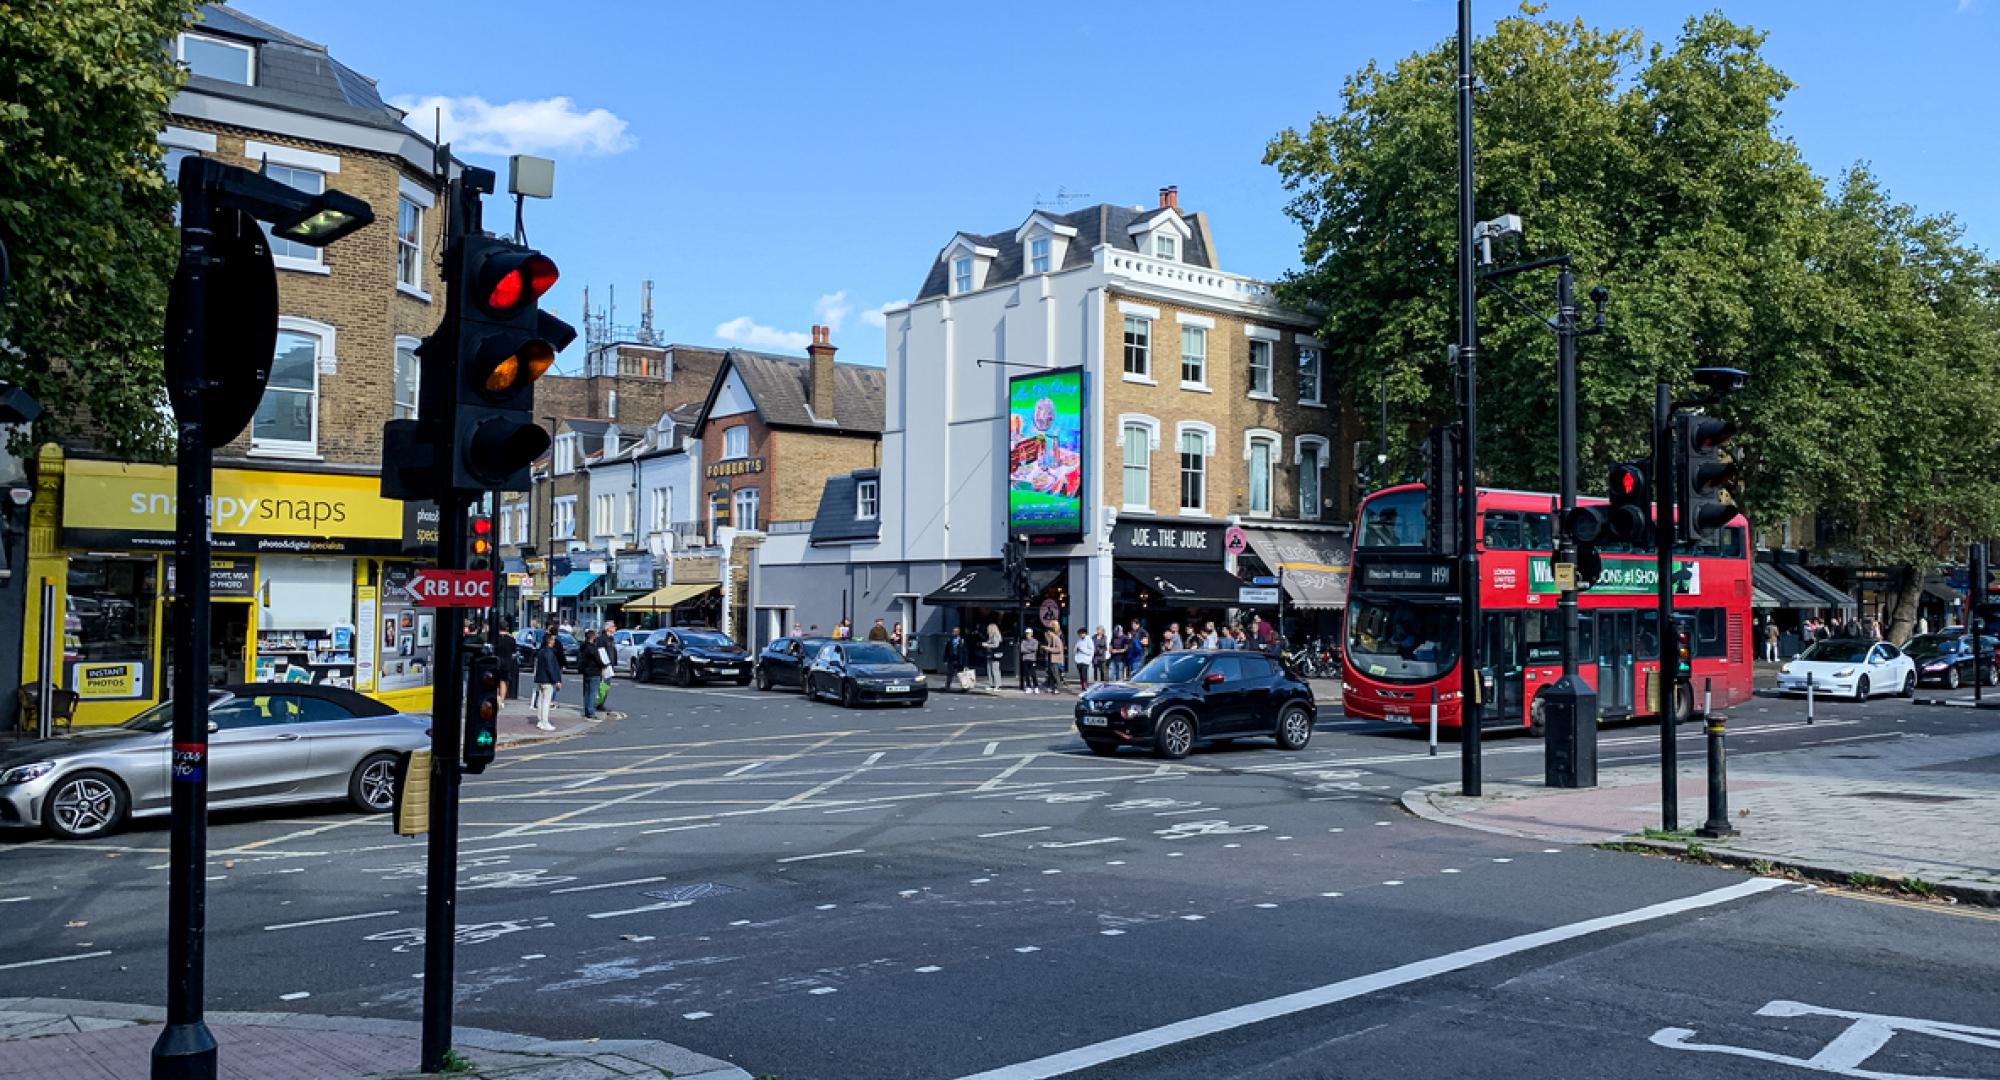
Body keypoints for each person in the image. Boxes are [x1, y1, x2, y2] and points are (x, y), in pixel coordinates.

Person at [532, 623, 563, 731]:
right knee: (546, 702)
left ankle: (540, 721)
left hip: (540, 679)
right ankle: (545, 722)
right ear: (550, 641)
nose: (554, 642)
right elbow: (551, 668)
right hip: (547, 680)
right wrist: (556, 680)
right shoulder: (550, 653)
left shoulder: (541, 652)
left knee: (540, 701)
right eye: (553, 640)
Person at [578, 629, 605, 722]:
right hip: (594, 672)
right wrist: (604, 665)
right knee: (593, 693)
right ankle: (591, 712)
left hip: (586, 672)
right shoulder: (593, 648)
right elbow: (598, 659)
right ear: (593, 637)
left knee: (586, 693)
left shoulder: (583, 647)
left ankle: (586, 711)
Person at [493, 620, 518, 709]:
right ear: (507, 628)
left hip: (496, 662)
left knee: (495, 681)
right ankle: (501, 701)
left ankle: (496, 697)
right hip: (507, 663)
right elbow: (514, 654)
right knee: (504, 682)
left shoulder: (495, 638)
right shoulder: (511, 639)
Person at [944, 627, 968, 692]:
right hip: (951, 659)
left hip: (959, 660)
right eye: (953, 631)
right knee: (950, 674)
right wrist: (945, 659)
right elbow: (946, 651)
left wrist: (965, 663)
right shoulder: (950, 640)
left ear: (958, 633)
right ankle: (947, 687)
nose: (953, 633)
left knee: (961, 674)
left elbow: (965, 652)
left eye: (955, 632)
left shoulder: (962, 640)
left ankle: (964, 687)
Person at [1042, 626, 1065, 692]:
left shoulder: (1056, 639)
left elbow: (1059, 649)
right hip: (1050, 658)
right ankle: (1052, 687)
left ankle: (1058, 688)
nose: (1047, 633)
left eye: (1048, 632)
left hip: (1055, 659)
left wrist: (1048, 649)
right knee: (1051, 673)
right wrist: (1045, 648)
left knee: (1055, 673)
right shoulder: (1051, 638)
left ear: (1050, 632)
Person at [984, 623, 1003, 689]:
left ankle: (997, 685)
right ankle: (991, 684)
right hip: (990, 654)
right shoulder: (990, 636)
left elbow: (996, 645)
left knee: (995, 670)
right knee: (989, 670)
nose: (987, 629)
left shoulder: (995, 636)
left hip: (995, 655)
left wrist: (987, 645)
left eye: (988, 628)